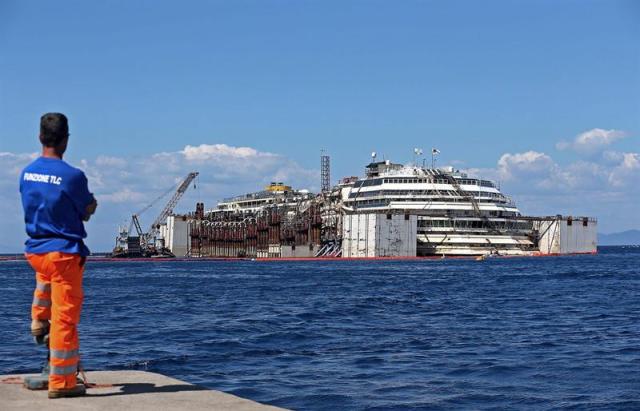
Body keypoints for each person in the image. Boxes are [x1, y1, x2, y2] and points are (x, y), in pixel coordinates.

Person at [19, 113, 97, 399]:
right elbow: (86, 207)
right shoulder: (73, 176)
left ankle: (38, 321)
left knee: (44, 282)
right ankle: (62, 383)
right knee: (65, 320)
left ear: (40, 137)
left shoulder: (26, 173)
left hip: (36, 251)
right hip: (64, 253)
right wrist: (90, 207)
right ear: (66, 139)